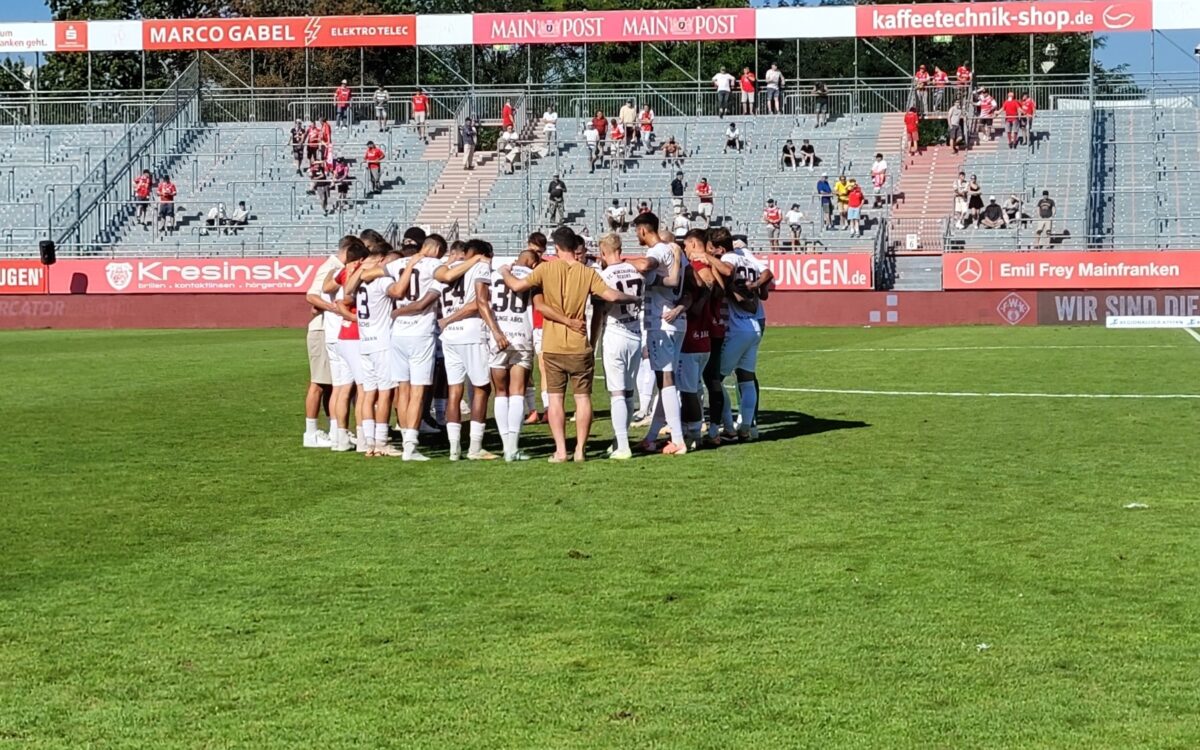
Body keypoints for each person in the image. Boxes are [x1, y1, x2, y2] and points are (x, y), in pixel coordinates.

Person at [499, 226, 638, 463]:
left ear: (556, 247)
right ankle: (581, 450)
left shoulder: (545, 268)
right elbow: (612, 296)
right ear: (575, 248)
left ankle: (561, 450)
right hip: (579, 345)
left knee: (555, 400)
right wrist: (634, 297)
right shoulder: (587, 273)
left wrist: (504, 271)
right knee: (583, 398)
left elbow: (516, 286)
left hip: (553, 345)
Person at [698, 227, 766, 443]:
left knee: (714, 378)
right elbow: (766, 282)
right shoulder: (747, 258)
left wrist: (706, 257)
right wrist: (754, 288)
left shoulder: (728, 258)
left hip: (737, 328)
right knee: (746, 379)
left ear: (719, 247)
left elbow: (726, 272)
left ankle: (724, 426)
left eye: (711, 248)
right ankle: (747, 427)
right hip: (754, 325)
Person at [632, 213, 692, 455]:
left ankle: (677, 440)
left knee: (666, 379)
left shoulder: (656, 252)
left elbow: (647, 266)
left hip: (660, 321)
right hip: (678, 321)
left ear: (644, 230)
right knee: (664, 381)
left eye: (636, 231)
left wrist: (623, 263)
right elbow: (689, 288)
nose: (636, 235)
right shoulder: (677, 254)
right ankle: (651, 437)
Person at [434, 240, 499, 461]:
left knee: (454, 391)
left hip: (450, 334)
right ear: (485, 253)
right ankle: (474, 447)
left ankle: (454, 448)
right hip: (471, 332)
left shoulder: (449, 268)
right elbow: (478, 303)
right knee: (482, 388)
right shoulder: (480, 267)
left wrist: (448, 320)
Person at [342, 235, 398, 457]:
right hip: (382, 343)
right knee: (385, 394)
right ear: (382, 259)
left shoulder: (361, 284)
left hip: (364, 342)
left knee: (367, 393)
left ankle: (367, 442)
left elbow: (347, 292)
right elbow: (399, 291)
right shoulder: (382, 281)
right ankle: (382, 442)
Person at [594, 232, 645, 460]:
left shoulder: (604, 275)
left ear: (603, 252)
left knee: (616, 392)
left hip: (615, 332)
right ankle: (618, 440)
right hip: (636, 332)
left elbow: (602, 308)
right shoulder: (636, 271)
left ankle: (623, 445)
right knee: (629, 391)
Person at [486, 245, 537, 462]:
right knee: (517, 392)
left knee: (500, 392)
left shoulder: (495, 274)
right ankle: (513, 447)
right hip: (521, 335)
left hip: (497, 334)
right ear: (533, 263)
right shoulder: (534, 275)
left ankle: (505, 445)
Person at [323, 236, 369, 452]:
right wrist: (351, 317)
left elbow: (327, 287)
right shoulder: (359, 271)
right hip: (357, 335)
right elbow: (347, 300)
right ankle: (362, 438)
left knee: (342, 388)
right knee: (362, 390)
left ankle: (339, 438)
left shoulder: (343, 272)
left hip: (341, 334)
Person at [303, 246, 345, 449]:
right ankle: (310, 433)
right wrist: (331, 308)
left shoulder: (336, 267)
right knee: (318, 383)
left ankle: (334, 430)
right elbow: (311, 296)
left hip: (328, 330)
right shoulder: (330, 267)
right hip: (321, 329)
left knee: (330, 383)